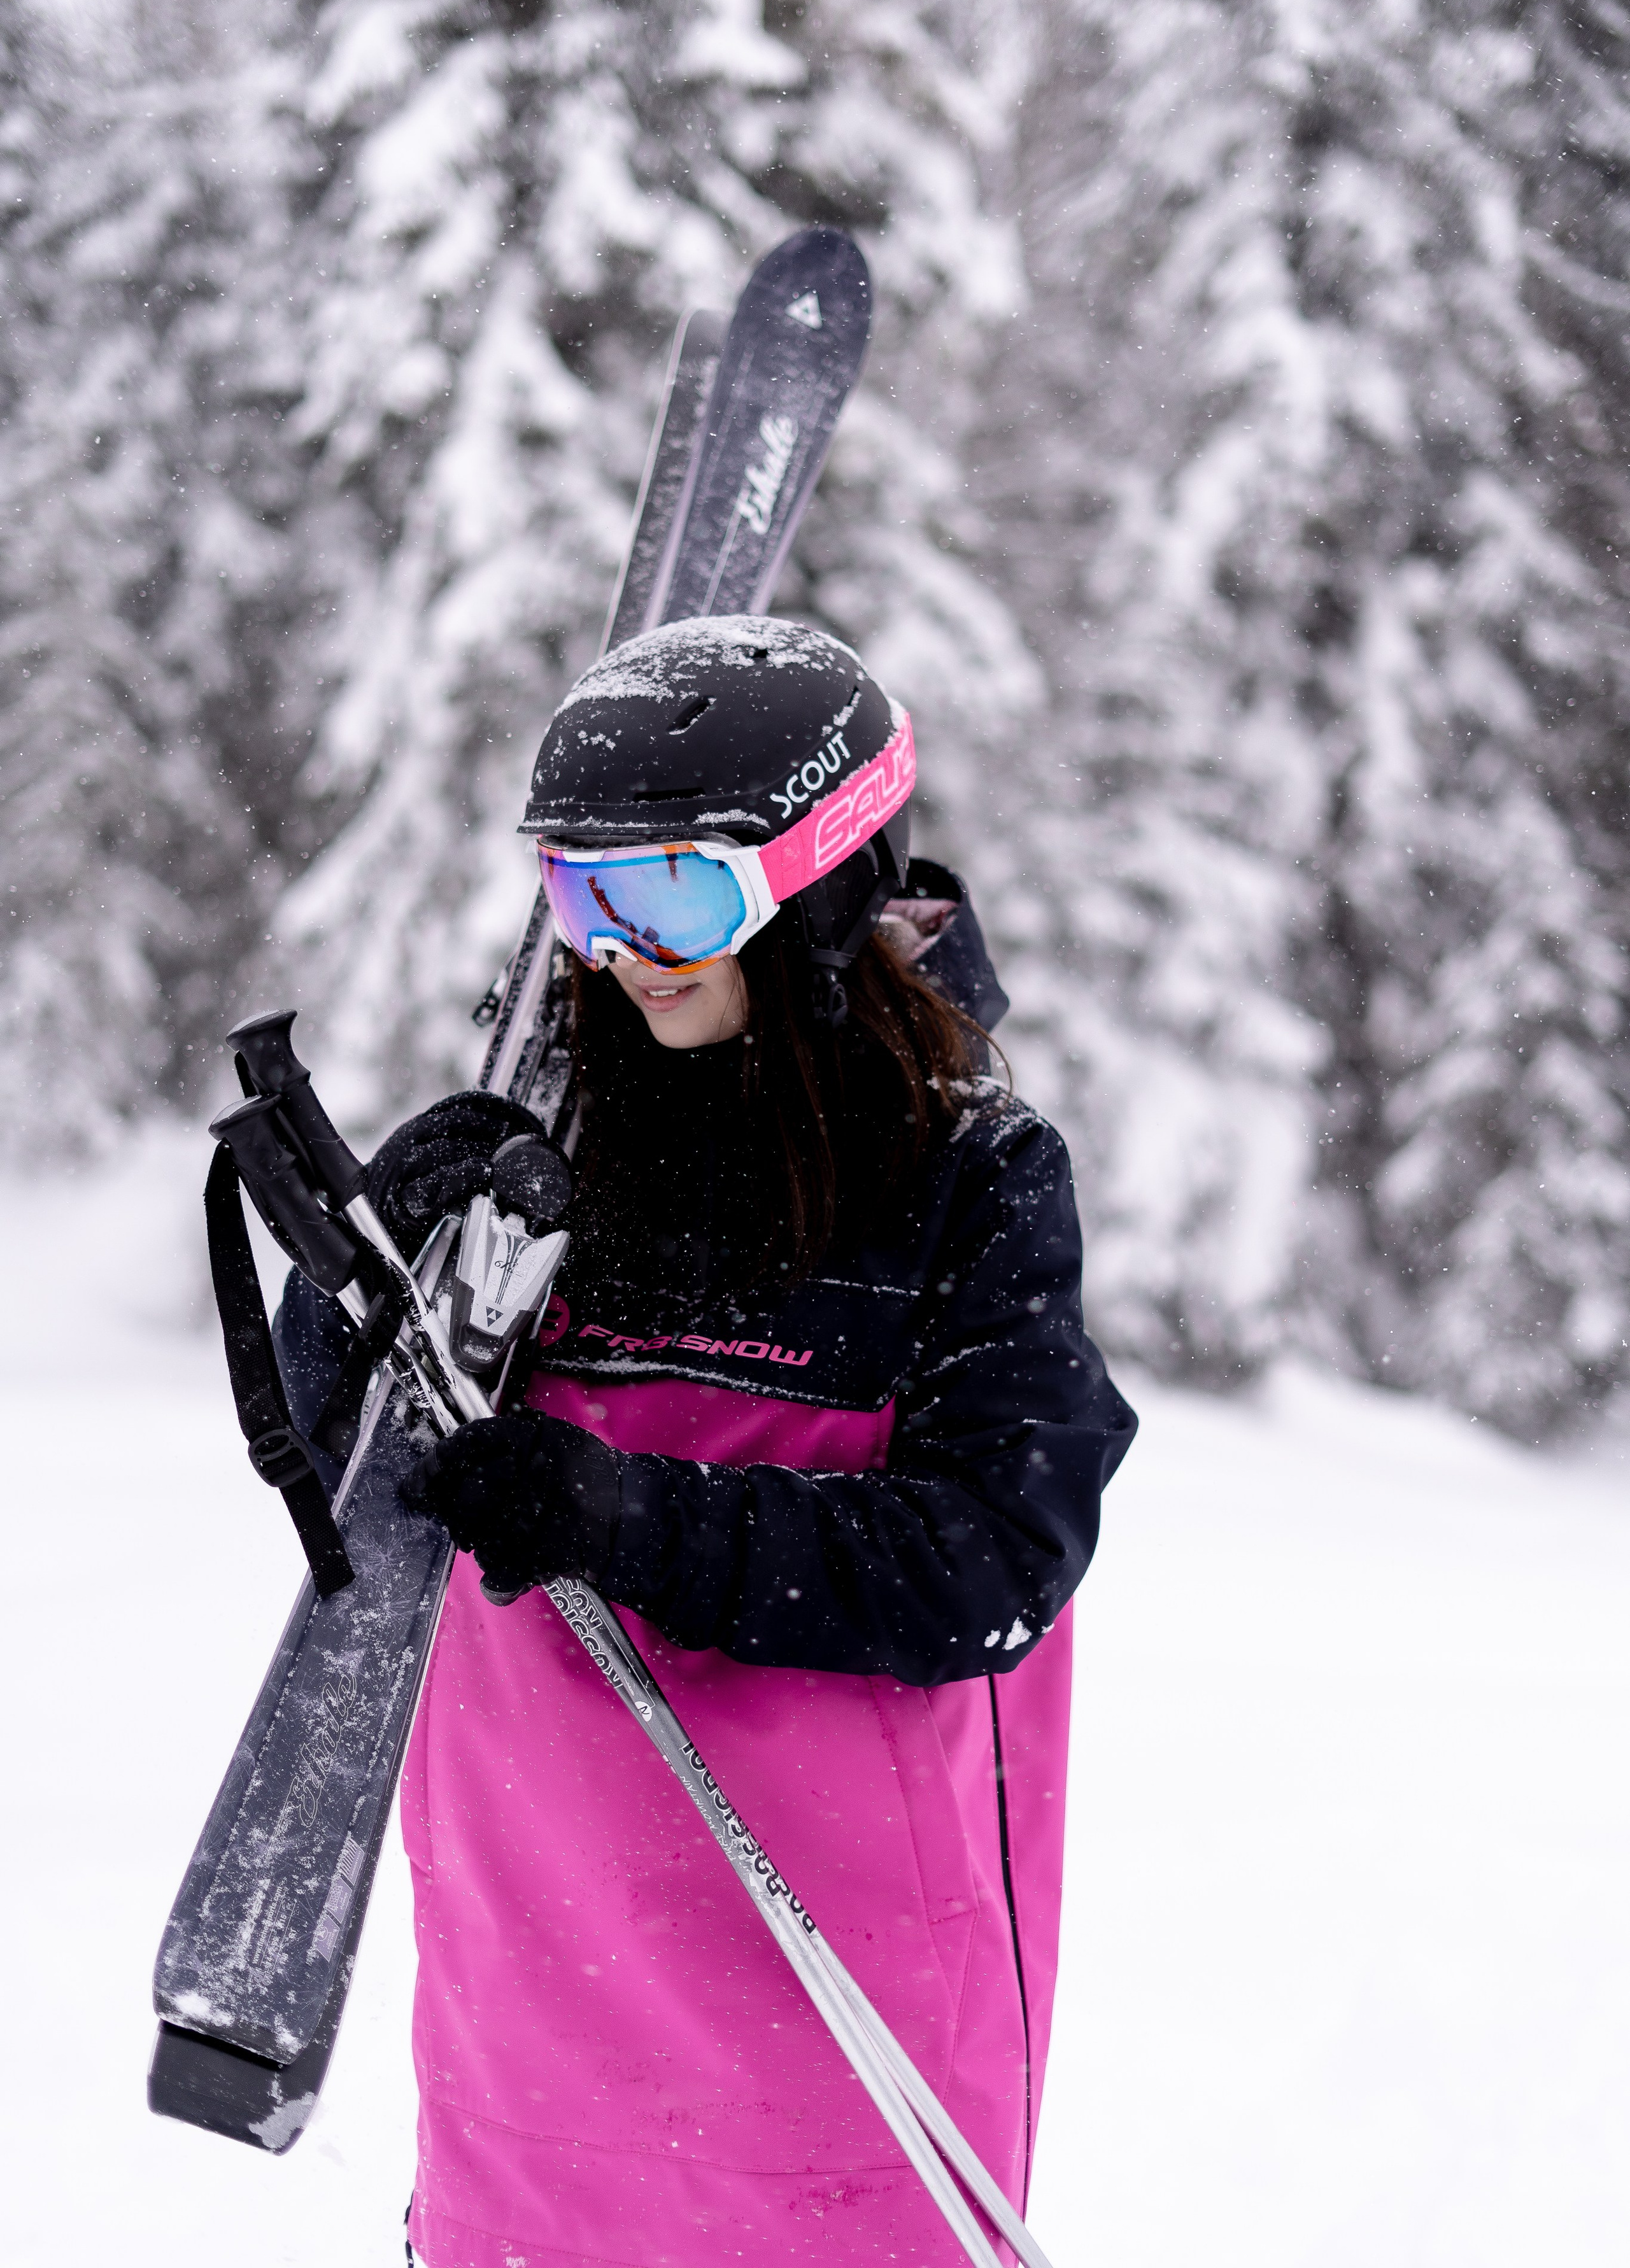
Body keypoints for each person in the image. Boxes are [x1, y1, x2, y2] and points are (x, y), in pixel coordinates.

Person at [274, 616, 1137, 2268]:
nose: (627, 950)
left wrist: (625, 1514)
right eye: (583, 893)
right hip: (534, 1970)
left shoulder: (970, 1178)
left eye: (676, 891)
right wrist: (364, 1279)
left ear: (817, 881)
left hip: (834, 1978)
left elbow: (991, 1565)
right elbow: (359, 1483)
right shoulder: (551, 1139)